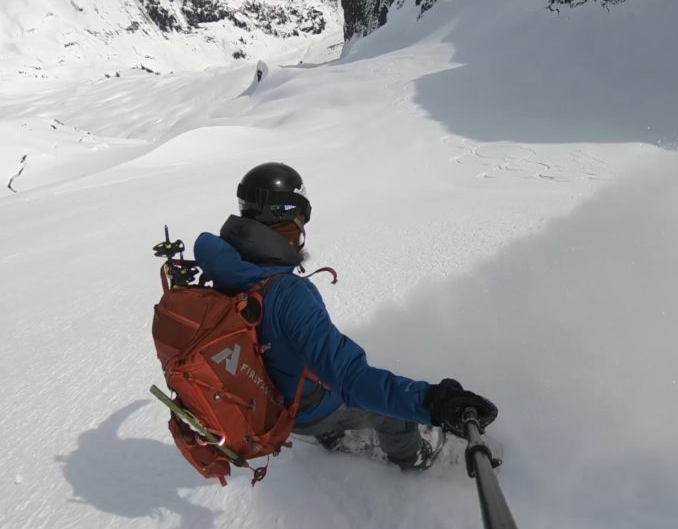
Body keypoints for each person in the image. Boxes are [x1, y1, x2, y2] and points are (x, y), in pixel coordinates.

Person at [193, 162, 498, 470]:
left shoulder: (229, 270)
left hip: (270, 399)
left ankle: (332, 434)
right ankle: (413, 455)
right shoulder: (287, 293)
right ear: (285, 217)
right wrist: (433, 402)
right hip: (305, 410)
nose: (303, 227)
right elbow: (349, 379)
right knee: (390, 414)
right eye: (301, 217)